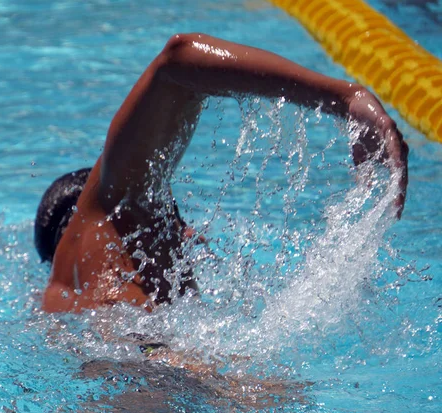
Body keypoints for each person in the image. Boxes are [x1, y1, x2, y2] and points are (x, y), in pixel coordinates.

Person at [35, 33, 408, 314]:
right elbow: (178, 59)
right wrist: (345, 100)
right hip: (156, 364)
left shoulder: (61, 296)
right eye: (176, 213)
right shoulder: (116, 211)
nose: (189, 232)